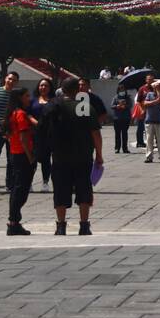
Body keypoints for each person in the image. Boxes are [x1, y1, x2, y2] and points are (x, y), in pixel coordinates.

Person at [43, 77, 102, 235]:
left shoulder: (55, 105)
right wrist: (99, 155)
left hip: (60, 155)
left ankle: (61, 226)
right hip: (83, 155)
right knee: (84, 190)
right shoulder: (85, 107)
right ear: (78, 90)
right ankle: (84, 225)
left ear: (62, 89)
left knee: (60, 190)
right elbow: (95, 133)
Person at [5, 85, 36, 236]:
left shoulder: (12, 113)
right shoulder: (21, 114)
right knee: (21, 190)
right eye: (26, 96)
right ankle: (14, 222)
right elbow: (24, 138)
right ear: (19, 98)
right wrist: (31, 157)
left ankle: (14, 221)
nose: (29, 99)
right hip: (23, 155)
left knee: (17, 188)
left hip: (14, 154)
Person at [30, 78, 55, 189]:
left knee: (46, 159)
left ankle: (45, 182)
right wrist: (36, 123)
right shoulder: (33, 100)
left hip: (48, 134)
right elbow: (28, 114)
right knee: (32, 158)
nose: (43, 88)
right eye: (41, 85)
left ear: (50, 88)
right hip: (34, 133)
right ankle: (29, 182)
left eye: (46, 86)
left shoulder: (54, 101)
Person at [141, 79, 160, 163]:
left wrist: (158, 92)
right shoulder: (149, 94)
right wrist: (155, 101)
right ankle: (149, 156)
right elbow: (145, 103)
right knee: (149, 140)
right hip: (150, 120)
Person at [111, 81, 133, 154]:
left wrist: (125, 106)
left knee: (124, 133)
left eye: (123, 89)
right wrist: (117, 106)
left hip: (125, 118)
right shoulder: (115, 97)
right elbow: (112, 106)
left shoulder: (128, 97)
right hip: (117, 118)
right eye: (120, 90)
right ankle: (117, 148)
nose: (122, 91)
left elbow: (130, 105)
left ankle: (125, 148)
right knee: (117, 134)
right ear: (118, 90)